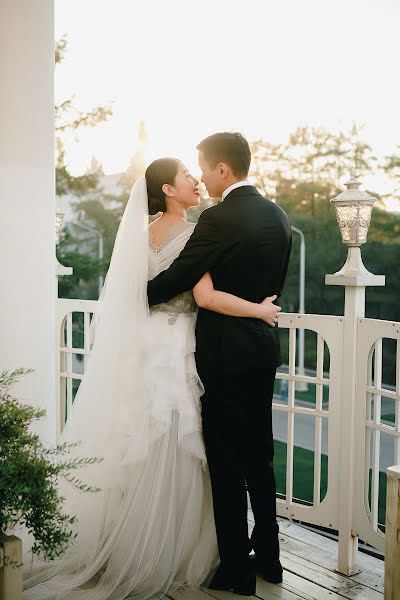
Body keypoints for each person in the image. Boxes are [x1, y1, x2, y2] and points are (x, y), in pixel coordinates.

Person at [22, 157, 281, 600]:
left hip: (145, 343)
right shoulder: (198, 231)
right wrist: (260, 309)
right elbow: (203, 295)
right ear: (166, 189)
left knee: (140, 439)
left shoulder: (138, 238)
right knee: (189, 443)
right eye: (186, 176)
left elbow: (134, 292)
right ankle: (180, 550)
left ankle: (130, 541)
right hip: (181, 343)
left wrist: (140, 302)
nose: (195, 181)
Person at [148, 133, 292, 596]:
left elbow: (180, 276)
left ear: (223, 170)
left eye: (205, 169)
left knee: (226, 462)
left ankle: (236, 568)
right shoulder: (279, 216)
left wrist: (141, 293)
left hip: (223, 355)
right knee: (261, 456)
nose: (203, 177)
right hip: (262, 347)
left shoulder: (217, 218)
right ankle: (270, 559)